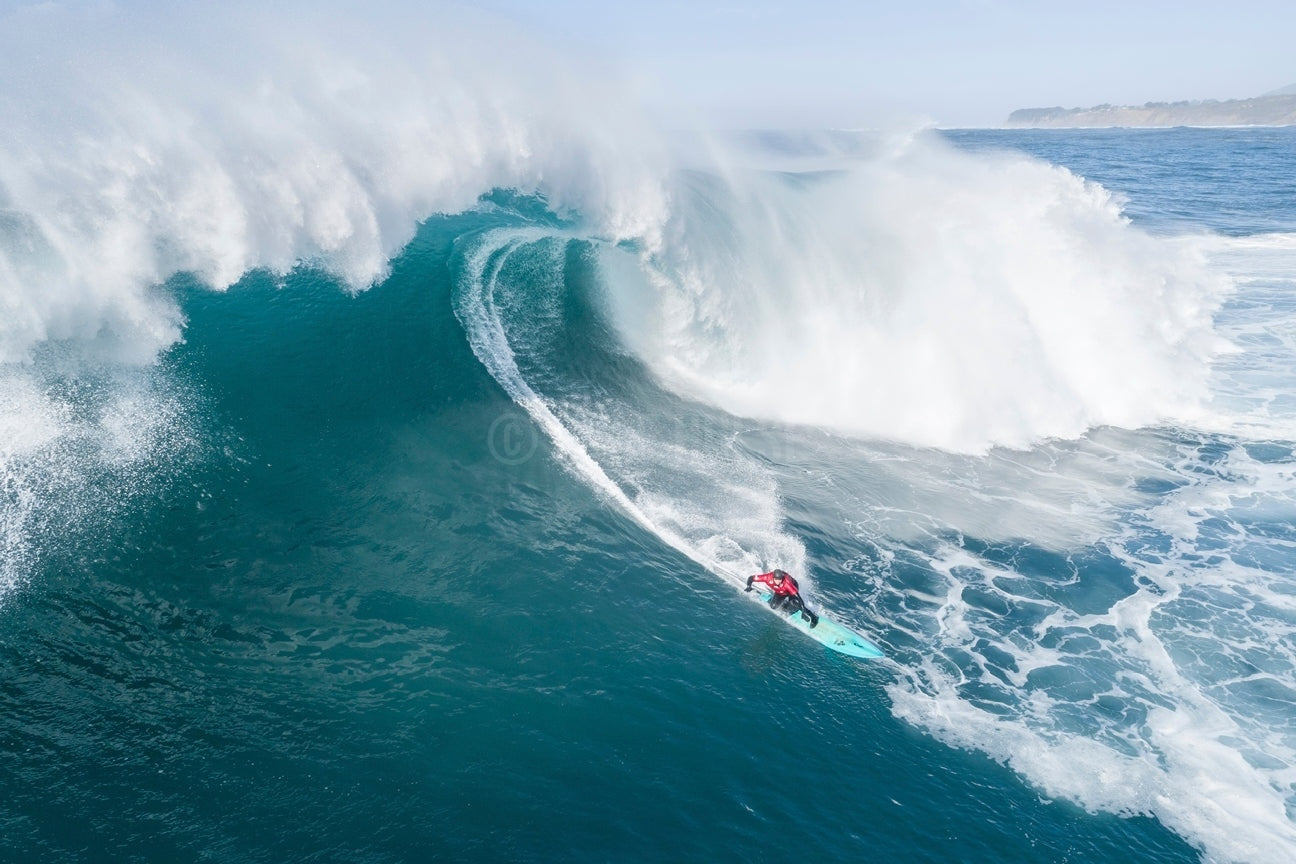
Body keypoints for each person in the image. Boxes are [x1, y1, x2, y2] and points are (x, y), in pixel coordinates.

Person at [745, 569, 819, 628]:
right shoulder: (766, 577)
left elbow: (799, 598)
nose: (778, 581)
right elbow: (751, 578)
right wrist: (749, 586)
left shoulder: (787, 584)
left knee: (794, 603)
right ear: (773, 577)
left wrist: (803, 612)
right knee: (773, 606)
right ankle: (786, 604)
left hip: (792, 587)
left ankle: (814, 617)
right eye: (776, 579)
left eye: (780, 579)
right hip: (780, 591)